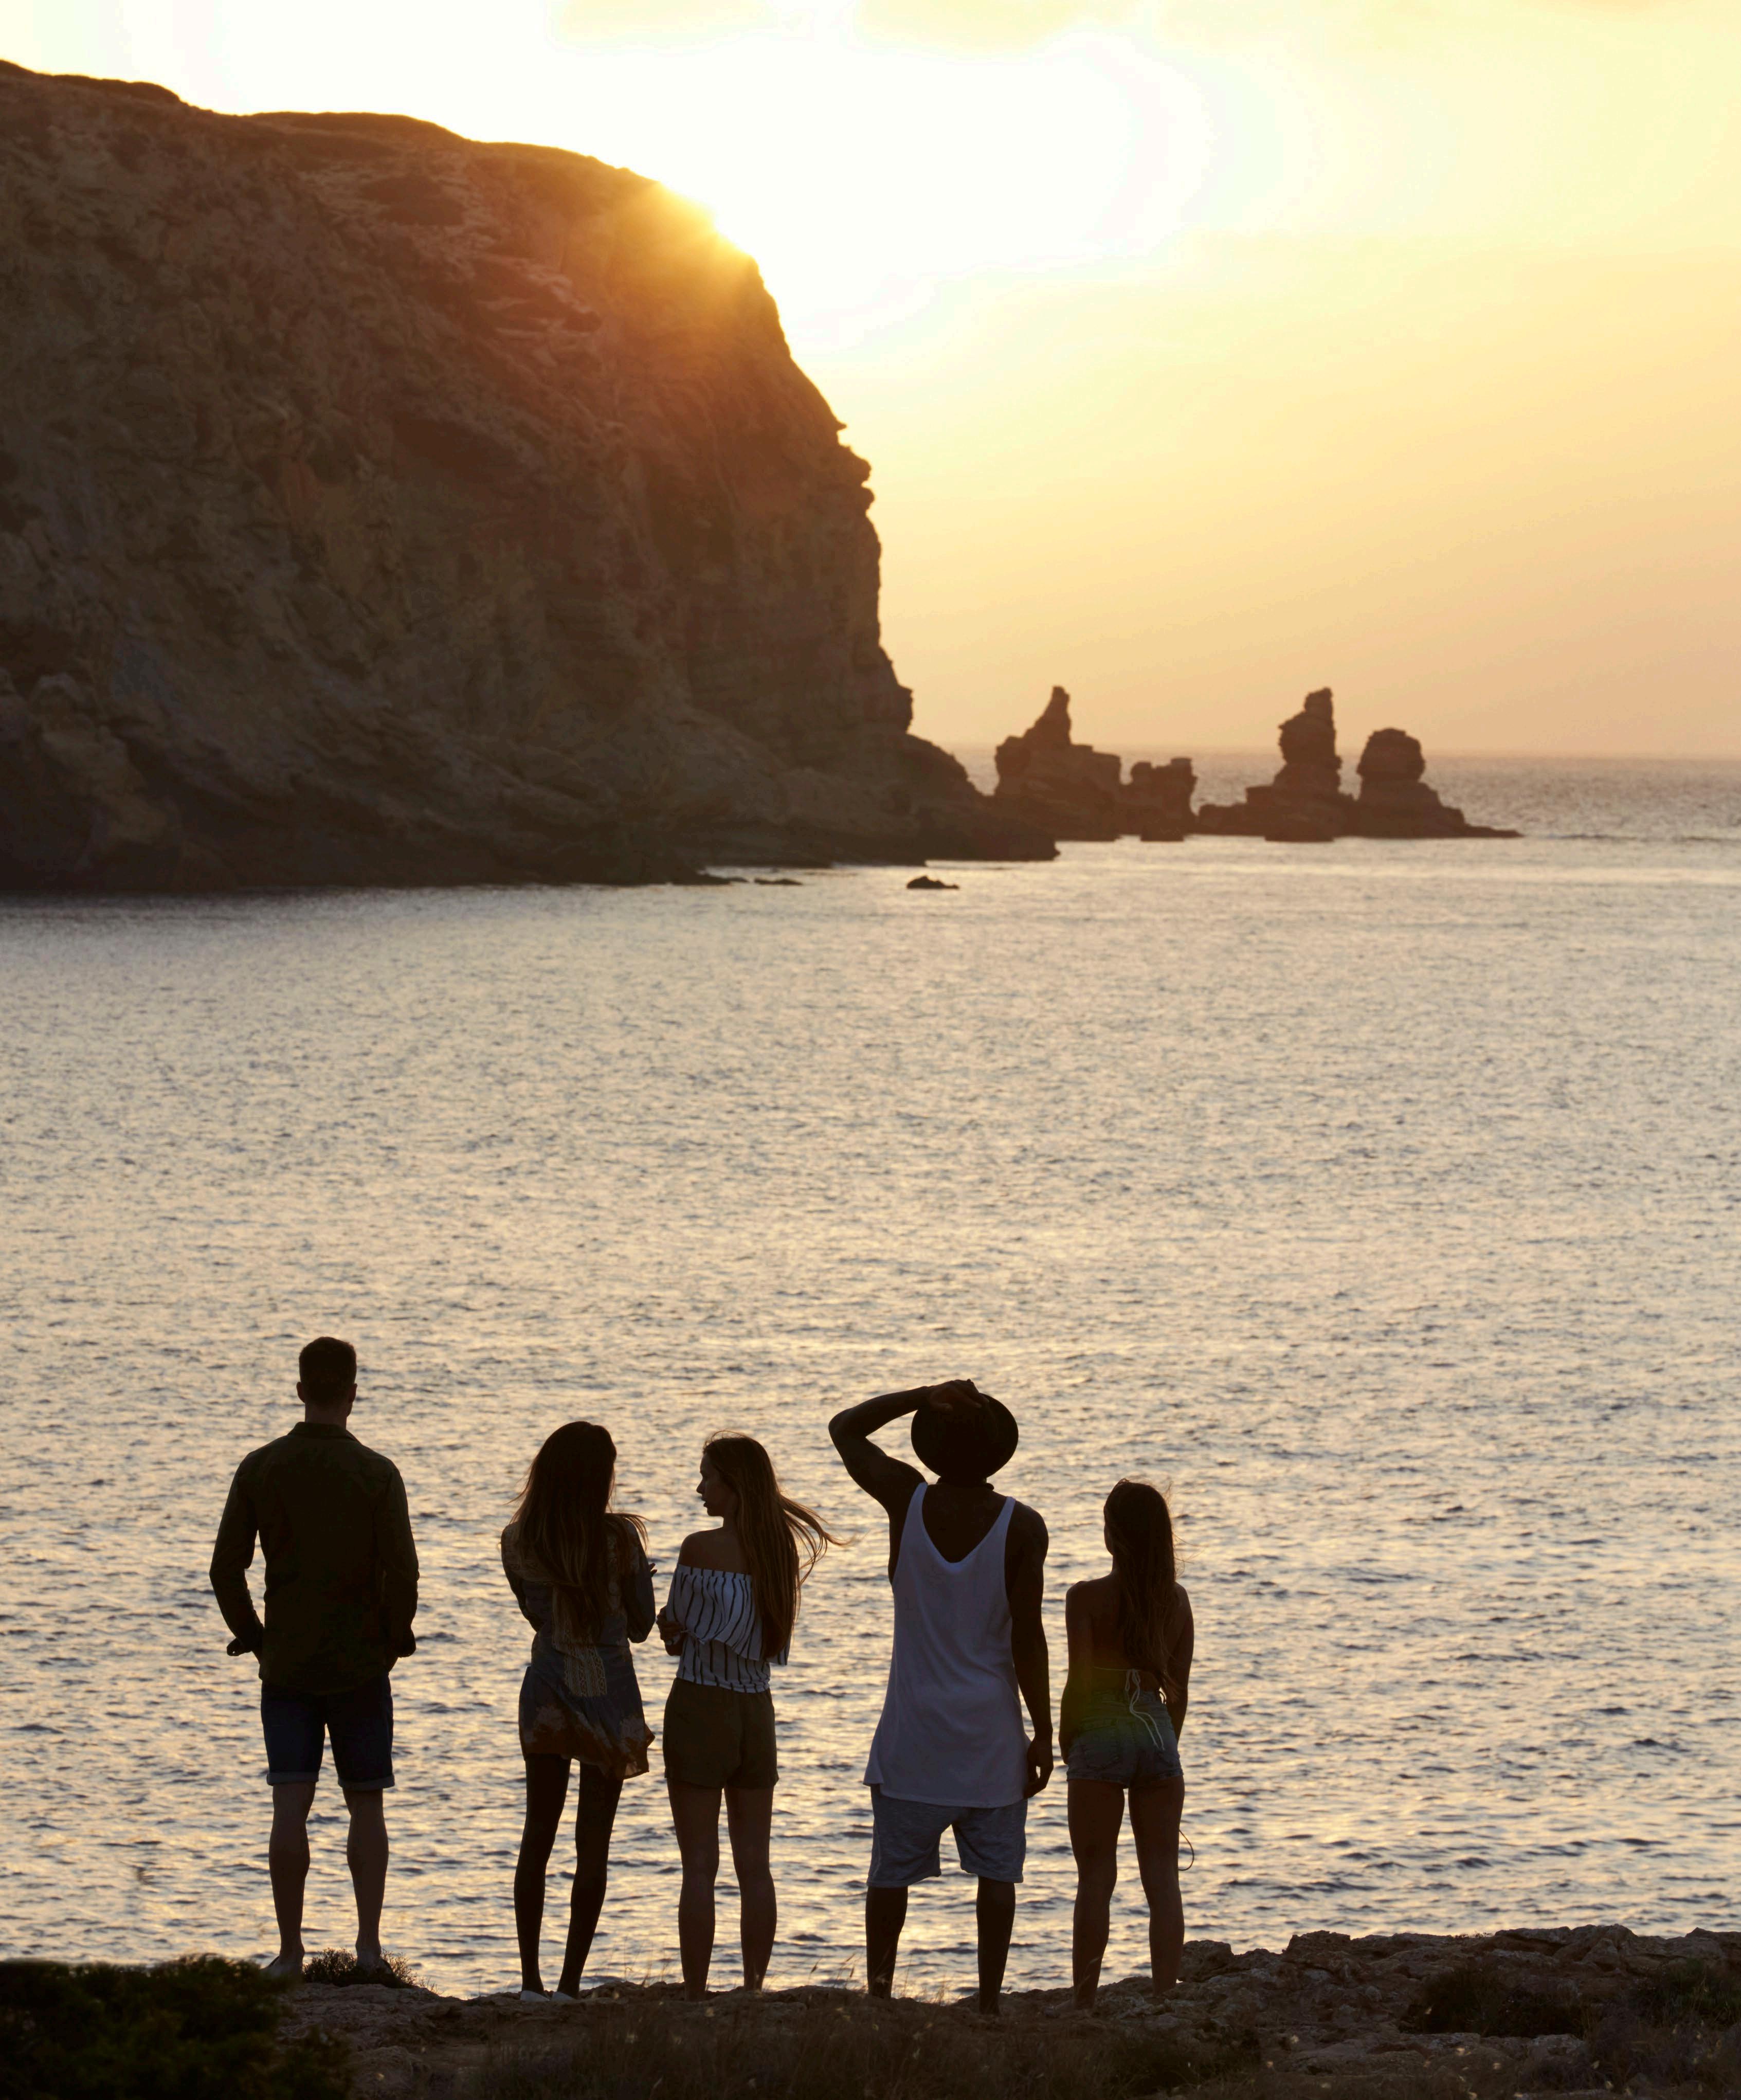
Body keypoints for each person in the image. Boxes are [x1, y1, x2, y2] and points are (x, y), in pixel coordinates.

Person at [828, 1378, 1051, 2015]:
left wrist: (922, 1393)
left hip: (913, 1736)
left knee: (889, 1878)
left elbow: (845, 1428)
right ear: (996, 1449)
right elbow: (1028, 1638)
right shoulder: (1022, 1526)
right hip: (990, 1736)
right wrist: (1043, 1732)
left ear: (930, 1444)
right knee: (996, 1878)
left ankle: (879, 1997)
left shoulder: (906, 1499)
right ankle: (988, 2004)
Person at [209, 1335, 419, 1981]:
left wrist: (253, 1635)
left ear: (301, 1390)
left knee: (289, 1805)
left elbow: (225, 1569)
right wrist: (393, 1637)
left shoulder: (261, 1467)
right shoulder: (377, 1473)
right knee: (367, 1805)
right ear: (353, 1392)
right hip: (361, 1664)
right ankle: (368, 1947)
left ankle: (290, 1950)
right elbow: (403, 1572)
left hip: (288, 1664)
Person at [657, 1434, 842, 1998]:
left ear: (733, 1487)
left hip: (700, 1702)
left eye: (708, 1477)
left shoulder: (698, 1548)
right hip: (756, 1710)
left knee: (698, 1865)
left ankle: (696, 1992)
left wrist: (666, 1623)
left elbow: (676, 1634)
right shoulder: (778, 1552)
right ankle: (754, 1987)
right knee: (755, 1866)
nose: (700, 1488)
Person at [502, 1420, 654, 2001]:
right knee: (594, 1843)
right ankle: (569, 1983)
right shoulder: (620, 1540)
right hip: (608, 1693)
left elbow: (534, 1614)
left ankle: (530, 1982)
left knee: (536, 1833)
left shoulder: (518, 1540)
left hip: (547, 1687)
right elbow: (640, 1627)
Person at [1059, 1479, 1194, 2009]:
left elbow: (1079, 1682)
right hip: (1156, 1731)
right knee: (1162, 1878)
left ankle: (1084, 2003)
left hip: (1100, 1727)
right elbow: (1178, 1691)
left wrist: (1067, 1741)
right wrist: (1164, 1749)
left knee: (1096, 1877)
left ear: (1112, 1536)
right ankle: (1165, 1998)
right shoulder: (1176, 1601)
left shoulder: (1085, 1597)